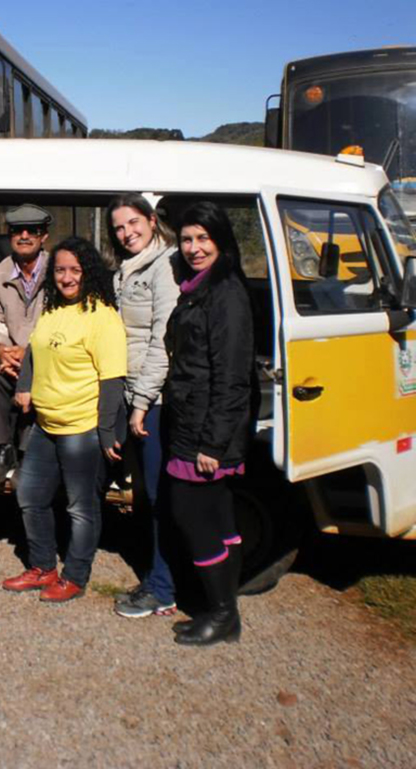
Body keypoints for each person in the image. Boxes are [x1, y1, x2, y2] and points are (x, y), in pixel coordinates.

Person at [2, 237, 126, 602]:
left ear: (89, 272)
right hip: (46, 424)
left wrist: (105, 433)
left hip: (81, 428)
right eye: (60, 270)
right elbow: (34, 352)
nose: (67, 277)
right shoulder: (54, 309)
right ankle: (43, 566)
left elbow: (113, 380)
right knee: (30, 495)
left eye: (75, 270)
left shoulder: (102, 316)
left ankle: (75, 575)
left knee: (80, 507)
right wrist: (25, 385)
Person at [164, 202, 254, 646]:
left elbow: (233, 378)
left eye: (203, 238)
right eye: (186, 239)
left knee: (192, 515)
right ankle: (223, 609)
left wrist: (213, 445)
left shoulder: (226, 295)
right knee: (218, 516)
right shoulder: (198, 287)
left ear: (220, 240)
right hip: (195, 419)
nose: (194, 248)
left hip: (205, 431)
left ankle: (222, 615)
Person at [105, 194, 182, 619]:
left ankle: (164, 588)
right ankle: (156, 576)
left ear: (151, 222)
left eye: (133, 223)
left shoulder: (165, 268)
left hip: (152, 397)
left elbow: (162, 342)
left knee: (157, 495)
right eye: (118, 227)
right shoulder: (129, 268)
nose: (126, 232)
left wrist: (142, 402)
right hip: (131, 390)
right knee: (144, 494)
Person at [0, 203, 52, 487]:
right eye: (17, 230)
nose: (24, 235)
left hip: (48, 353)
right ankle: (1, 450)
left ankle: (29, 453)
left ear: (44, 236)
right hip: (9, 353)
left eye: (33, 230)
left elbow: (61, 323)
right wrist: (2, 351)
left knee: (45, 374)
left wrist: (30, 352)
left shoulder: (59, 272)